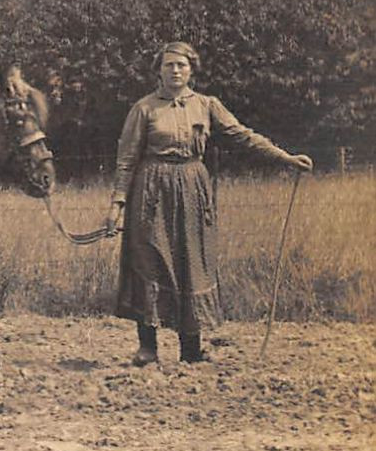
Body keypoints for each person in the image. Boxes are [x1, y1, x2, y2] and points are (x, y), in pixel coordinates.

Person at [103, 43, 311, 366]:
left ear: (191, 70)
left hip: (192, 192)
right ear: (158, 69)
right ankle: (148, 348)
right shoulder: (143, 109)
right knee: (148, 261)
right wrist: (117, 204)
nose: (175, 71)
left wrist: (285, 158)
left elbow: (243, 135)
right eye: (169, 65)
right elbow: (127, 160)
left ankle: (191, 349)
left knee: (192, 264)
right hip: (150, 194)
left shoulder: (207, 105)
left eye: (181, 65)